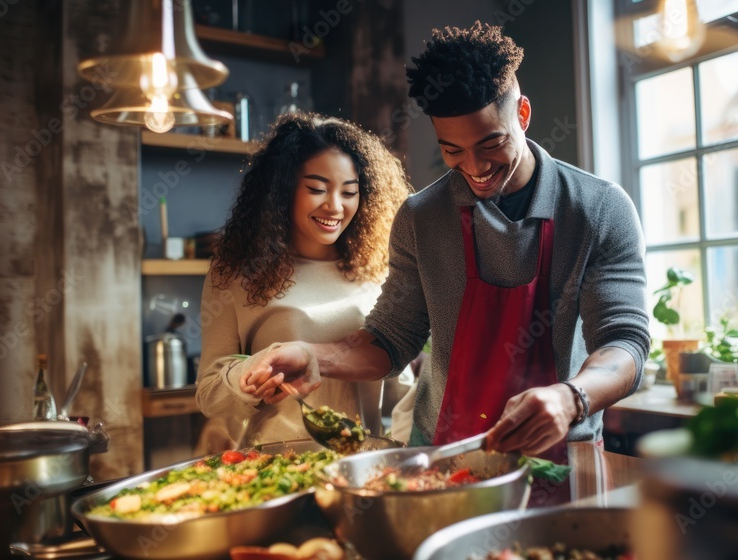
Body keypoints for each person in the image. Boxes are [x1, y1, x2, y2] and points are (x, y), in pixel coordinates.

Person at [241, 22, 650, 458]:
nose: (475, 167)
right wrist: (311, 354)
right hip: (445, 454)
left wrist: (571, 399)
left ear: (523, 115)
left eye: (491, 142)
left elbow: (624, 343)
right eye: (452, 150)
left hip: (563, 451)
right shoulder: (422, 217)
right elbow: (389, 340)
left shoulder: (598, 208)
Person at [194, 112, 412, 452]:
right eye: (316, 189)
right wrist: (246, 379)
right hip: (269, 465)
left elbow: (399, 386)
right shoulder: (236, 272)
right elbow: (209, 392)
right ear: (282, 190)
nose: (335, 206)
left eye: (349, 192)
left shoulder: (380, 270)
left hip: (357, 465)